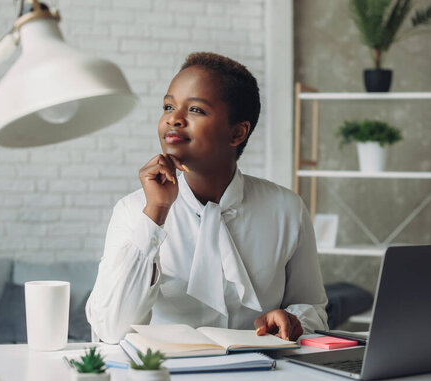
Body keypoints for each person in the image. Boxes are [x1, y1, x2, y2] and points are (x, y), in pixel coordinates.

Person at [86, 52, 328, 344]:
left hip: (261, 379)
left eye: (196, 110)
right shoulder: (133, 210)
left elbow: (313, 309)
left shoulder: (287, 209)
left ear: (237, 133)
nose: (173, 119)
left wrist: (292, 321)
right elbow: (110, 329)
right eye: (168, 106)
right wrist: (155, 213)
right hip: (167, 380)